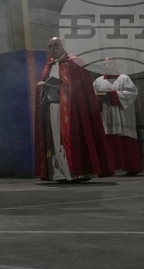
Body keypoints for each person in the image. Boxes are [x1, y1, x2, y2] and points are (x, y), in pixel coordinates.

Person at [34, 37, 113, 182]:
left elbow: (82, 89)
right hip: (52, 107)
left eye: (56, 45)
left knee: (72, 140)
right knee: (55, 141)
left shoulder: (75, 63)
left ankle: (77, 172)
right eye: (50, 46)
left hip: (73, 110)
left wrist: (62, 88)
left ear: (64, 46)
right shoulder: (49, 65)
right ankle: (60, 173)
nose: (52, 49)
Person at [93, 58, 142, 176]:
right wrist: (98, 98)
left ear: (114, 65)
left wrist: (114, 94)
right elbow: (92, 95)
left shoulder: (124, 78)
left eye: (108, 64)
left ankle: (132, 167)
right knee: (107, 140)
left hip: (121, 115)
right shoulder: (98, 81)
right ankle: (107, 169)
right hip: (106, 114)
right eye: (104, 64)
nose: (106, 66)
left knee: (125, 140)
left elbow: (132, 93)